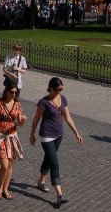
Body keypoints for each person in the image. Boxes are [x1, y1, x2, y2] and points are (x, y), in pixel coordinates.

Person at [29, 77, 83, 205]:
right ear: (51, 88)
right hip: (46, 135)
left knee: (49, 159)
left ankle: (41, 182)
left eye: (62, 89)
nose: (60, 92)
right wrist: (32, 134)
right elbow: (36, 119)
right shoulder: (43, 102)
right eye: (58, 89)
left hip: (59, 135)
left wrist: (76, 133)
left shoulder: (63, 99)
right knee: (55, 163)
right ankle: (59, 195)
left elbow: (68, 118)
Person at [0, 84, 26, 200]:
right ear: (6, 91)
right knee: (4, 165)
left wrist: (23, 120)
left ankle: (5, 189)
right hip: (0, 137)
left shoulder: (17, 105)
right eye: (11, 92)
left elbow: (19, 123)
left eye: (15, 93)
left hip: (12, 137)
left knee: (9, 165)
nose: (13, 95)